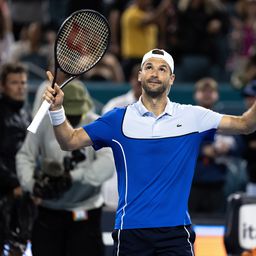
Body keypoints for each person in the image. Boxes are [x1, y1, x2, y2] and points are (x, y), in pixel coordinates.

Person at [41, 48, 256, 256]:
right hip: (130, 233)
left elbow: (246, 124)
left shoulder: (194, 117)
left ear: (171, 79)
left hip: (176, 233)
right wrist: (56, 110)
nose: (155, 73)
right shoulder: (117, 119)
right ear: (139, 75)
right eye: (149, 67)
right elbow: (68, 141)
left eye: (162, 69)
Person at [16, 81, 115, 256]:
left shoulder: (95, 123)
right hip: (49, 213)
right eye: (70, 114)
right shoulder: (43, 122)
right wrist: (32, 185)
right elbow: (25, 155)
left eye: (77, 114)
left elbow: (108, 164)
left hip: (86, 211)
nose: (74, 118)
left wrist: (72, 177)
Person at [189, 77, 243, 215]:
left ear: (217, 95)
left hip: (218, 183)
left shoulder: (223, 120)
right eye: (203, 90)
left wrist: (228, 147)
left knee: (217, 226)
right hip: (192, 183)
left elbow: (239, 146)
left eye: (211, 91)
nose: (207, 94)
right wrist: (202, 150)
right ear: (196, 94)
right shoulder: (186, 119)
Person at [0, 62, 32, 255]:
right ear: (3, 86)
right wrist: (13, 184)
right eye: (14, 82)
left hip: (21, 197)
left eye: (23, 82)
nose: (20, 87)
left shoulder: (26, 113)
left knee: (19, 248)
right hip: (6, 194)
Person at [241, 80, 256, 196]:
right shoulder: (243, 121)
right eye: (248, 97)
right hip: (253, 180)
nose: (249, 100)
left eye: (252, 97)